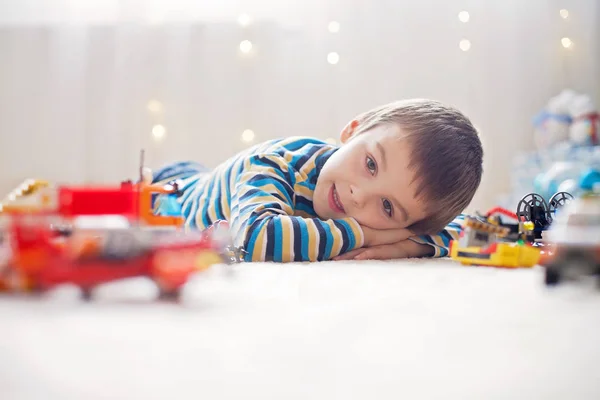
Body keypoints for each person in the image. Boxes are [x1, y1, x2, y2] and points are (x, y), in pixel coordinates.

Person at [150, 99, 483, 262]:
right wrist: (368, 234)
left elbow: (469, 230)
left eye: (387, 206)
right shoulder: (278, 165)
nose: (358, 195)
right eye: (370, 164)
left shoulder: (405, 225)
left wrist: (408, 243)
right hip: (171, 198)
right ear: (353, 130)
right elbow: (252, 239)